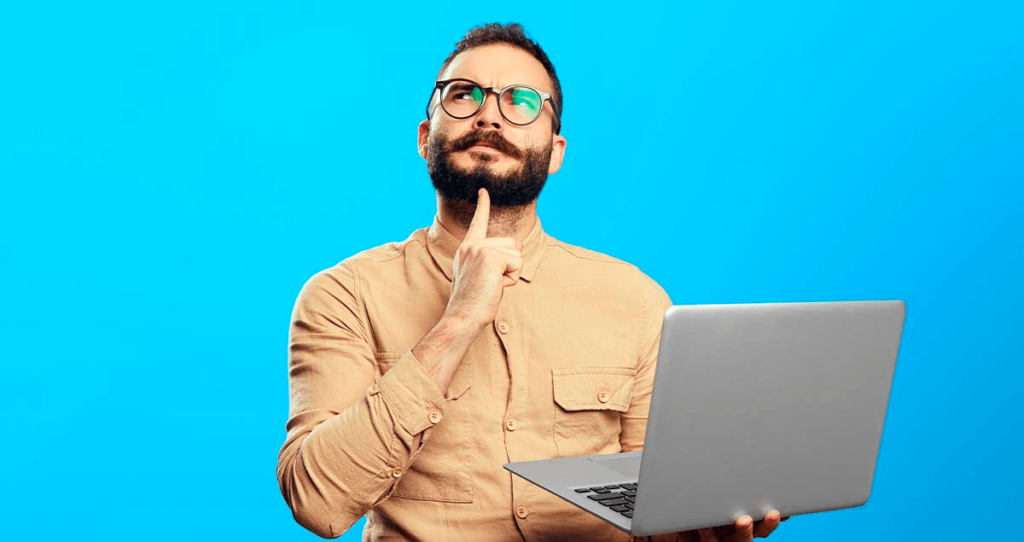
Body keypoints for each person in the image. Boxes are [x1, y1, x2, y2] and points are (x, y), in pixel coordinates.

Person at [277, 23, 785, 542]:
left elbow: (653, 514)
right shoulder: (344, 295)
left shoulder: (635, 300)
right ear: (425, 138)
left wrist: (708, 527)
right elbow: (319, 502)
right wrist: (457, 321)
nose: (489, 113)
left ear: (556, 151)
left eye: (521, 101)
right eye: (463, 94)